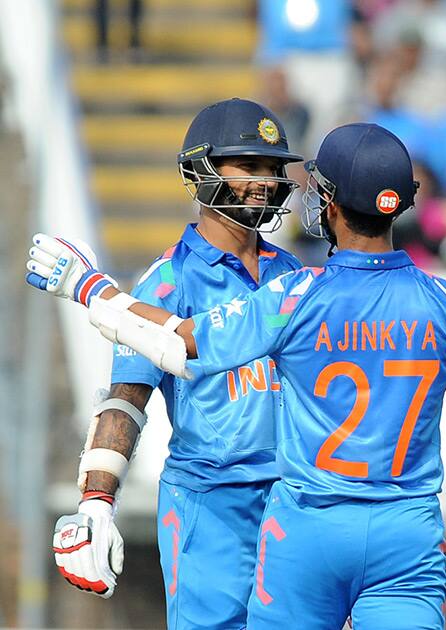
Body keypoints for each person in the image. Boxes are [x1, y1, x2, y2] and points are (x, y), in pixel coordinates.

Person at [27, 122, 446, 629]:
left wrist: (86, 286)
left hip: (304, 531)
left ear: (330, 205)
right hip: (406, 535)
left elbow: (178, 344)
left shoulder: (295, 292)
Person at [47, 98, 304, 629]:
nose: (265, 182)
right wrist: (97, 500)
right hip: (208, 503)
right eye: (248, 166)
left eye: (273, 169)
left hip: (293, 496)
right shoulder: (168, 280)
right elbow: (125, 400)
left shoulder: (294, 271)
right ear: (200, 169)